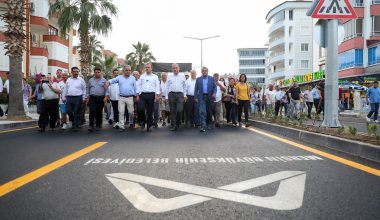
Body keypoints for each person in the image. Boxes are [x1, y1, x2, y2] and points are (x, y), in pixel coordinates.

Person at [107, 65, 137, 131]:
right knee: (121, 112)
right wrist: (108, 82)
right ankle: (121, 126)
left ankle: (131, 122)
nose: (128, 71)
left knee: (131, 112)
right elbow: (113, 80)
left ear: (130, 71)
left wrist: (136, 96)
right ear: (124, 71)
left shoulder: (133, 78)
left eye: (129, 70)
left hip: (130, 97)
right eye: (126, 70)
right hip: (121, 97)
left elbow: (135, 88)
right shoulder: (119, 77)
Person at [136, 63, 160, 132]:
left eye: (148, 67)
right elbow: (139, 86)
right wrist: (137, 95)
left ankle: (149, 126)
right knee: (140, 109)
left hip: (151, 95)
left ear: (151, 68)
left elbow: (157, 86)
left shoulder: (155, 77)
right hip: (143, 95)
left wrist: (157, 95)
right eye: (146, 67)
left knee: (150, 111)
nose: (147, 68)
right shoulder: (142, 76)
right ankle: (143, 121)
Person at [62, 67, 86, 131]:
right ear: (71, 72)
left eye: (77, 71)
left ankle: (75, 125)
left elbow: (84, 89)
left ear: (78, 72)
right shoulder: (68, 80)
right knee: (68, 111)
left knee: (76, 112)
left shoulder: (81, 80)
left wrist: (83, 97)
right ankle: (72, 120)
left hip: (78, 97)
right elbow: (65, 89)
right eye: (74, 71)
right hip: (69, 97)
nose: (76, 73)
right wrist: (63, 97)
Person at [194, 67, 217, 132]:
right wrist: (195, 97)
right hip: (201, 97)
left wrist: (214, 93)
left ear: (207, 71)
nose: (204, 72)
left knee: (209, 111)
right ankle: (203, 126)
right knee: (202, 112)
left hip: (209, 97)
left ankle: (209, 124)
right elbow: (196, 89)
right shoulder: (198, 79)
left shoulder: (211, 78)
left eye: (206, 71)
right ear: (201, 72)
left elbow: (215, 87)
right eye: (203, 71)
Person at [166, 63, 187, 131]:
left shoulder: (182, 76)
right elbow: (167, 86)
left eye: (176, 68)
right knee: (172, 111)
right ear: (172, 69)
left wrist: (185, 95)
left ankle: (178, 122)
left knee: (180, 110)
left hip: (180, 95)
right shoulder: (169, 76)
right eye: (173, 68)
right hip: (171, 94)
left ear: (179, 68)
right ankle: (174, 125)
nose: (175, 69)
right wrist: (167, 96)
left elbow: (184, 86)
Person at [87, 67, 108, 132]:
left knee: (99, 111)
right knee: (92, 111)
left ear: (100, 72)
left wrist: (106, 97)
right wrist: (87, 97)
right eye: (96, 72)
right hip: (92, 97)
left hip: (101, 98)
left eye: (98, 72)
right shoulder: (90, 80)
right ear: (94, 72)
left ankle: (99, 124)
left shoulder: (104, 80)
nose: (97, 73)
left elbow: (107, 90)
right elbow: (88, 89)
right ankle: (91, 125)